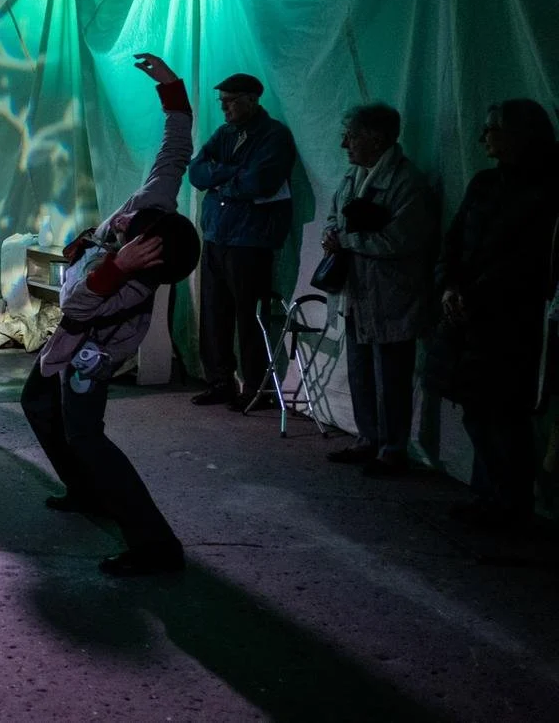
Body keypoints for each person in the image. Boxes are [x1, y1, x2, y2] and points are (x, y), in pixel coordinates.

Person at [22, 53, 198, 577]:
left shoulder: (132, 282)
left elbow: (76, 307)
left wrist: (116, 268)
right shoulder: (154, 206)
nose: (121, 225)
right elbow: (175, 150)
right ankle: (87, 492)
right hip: (69, 343)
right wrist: (171, 88)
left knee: (86, 436)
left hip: (89, 353)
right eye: (128, 226)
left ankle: (156, 546)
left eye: (129, 237)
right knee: (38, 403)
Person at [435, 99, 559, 530]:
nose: (483, 137)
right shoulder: (485, 184)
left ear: (518, 134)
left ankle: (510, 504)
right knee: (477, 410)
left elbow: (529, 261)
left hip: (511, 322)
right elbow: (454, 241)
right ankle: (489, 496)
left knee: (504, 415)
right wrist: (450, 285)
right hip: (471, 318)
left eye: (491, 129)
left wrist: (470, 293)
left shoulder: (546, 192)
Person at [320, 103, 436, 477]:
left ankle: (391, 448)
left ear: (376, 139)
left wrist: (346, 240)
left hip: (391, 294)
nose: (344, 144)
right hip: (358, 292)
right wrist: (333, 234)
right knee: (360, 372)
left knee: (392, 376)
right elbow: (335, 215)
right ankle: (368, 438)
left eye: (351, 136)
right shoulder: (354, 176)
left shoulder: (407, 183)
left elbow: (401, 240)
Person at [186, 72, 297, 409]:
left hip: (250, 239)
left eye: (230, 102)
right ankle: (220, 381)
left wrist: (221, 179)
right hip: (218, 234)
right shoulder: (225, 134)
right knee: (214, 314)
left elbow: (260, 182)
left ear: (251, 99)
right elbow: (196, 172)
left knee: (250, 316)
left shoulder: (274, 135)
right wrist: (232, 173)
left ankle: (254, 387)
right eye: (222, 102)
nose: (225, 108)